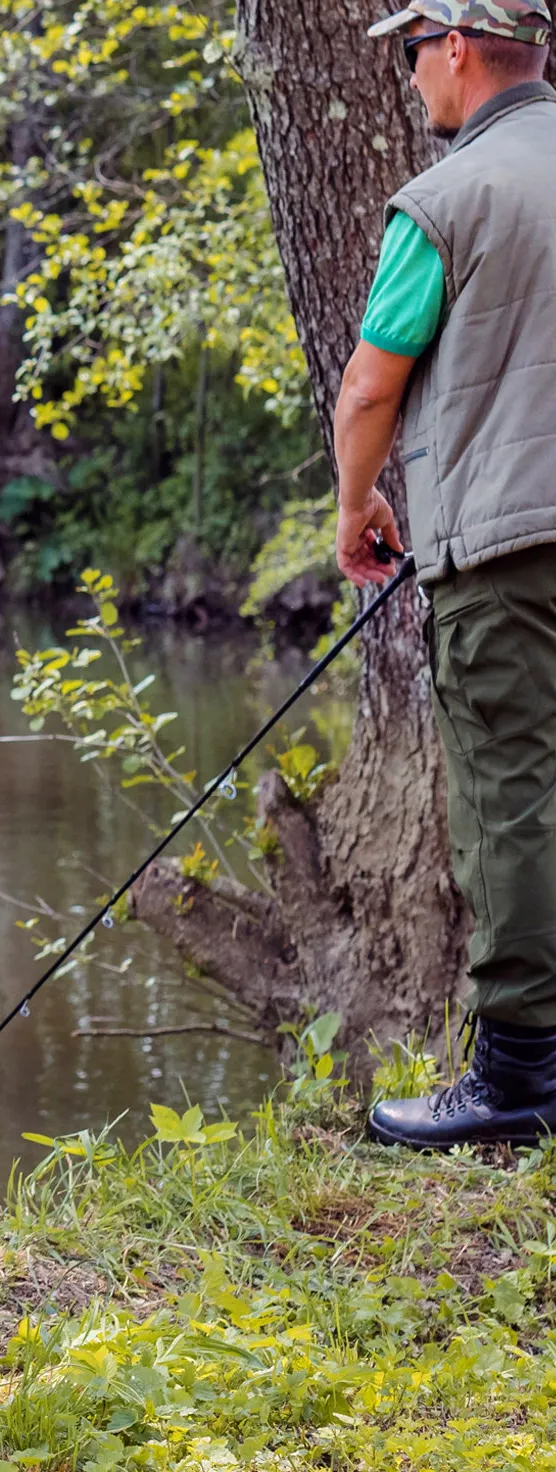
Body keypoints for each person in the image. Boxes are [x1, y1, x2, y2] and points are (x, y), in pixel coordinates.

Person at [332, 0, 556, 1148]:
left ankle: (516, 1080)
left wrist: (357, 504)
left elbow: (370, 387)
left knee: (515, 803)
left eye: (414, 56)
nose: (412, 81)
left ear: (458, 49)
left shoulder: (444, 199)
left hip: (508, 556)